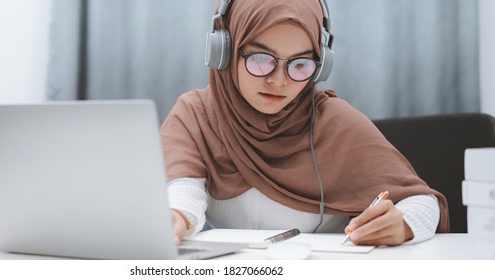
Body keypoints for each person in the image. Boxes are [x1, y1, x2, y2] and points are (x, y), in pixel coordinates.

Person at [160, 0, 449, 246]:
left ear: (320, 68)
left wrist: (404, 223)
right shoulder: (195, 114)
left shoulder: (335, 121)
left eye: (299, 64)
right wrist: (177, 217)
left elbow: (423, 203)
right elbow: (183, 192)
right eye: (261, 59)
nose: (279, 80)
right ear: (224, 51)